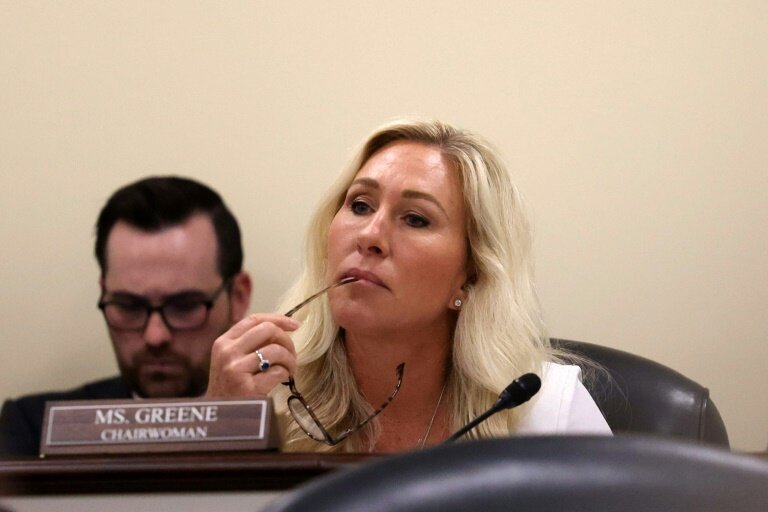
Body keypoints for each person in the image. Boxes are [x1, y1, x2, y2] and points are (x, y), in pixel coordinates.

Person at [206, 118, 610, 453]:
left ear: (470, 276)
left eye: (416, 219)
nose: (370, 235)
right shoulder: (263, 394)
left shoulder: (547, 415)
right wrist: (219, 423)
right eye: (360, 206)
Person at [0, 176, 252, 457]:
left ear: (238, 296)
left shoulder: (293, 426)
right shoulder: (34, 429)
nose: (155, 336)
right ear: (104, 292)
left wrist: (226, 420)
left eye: (184, 306)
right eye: (129, 306)